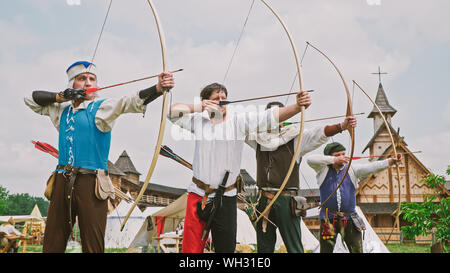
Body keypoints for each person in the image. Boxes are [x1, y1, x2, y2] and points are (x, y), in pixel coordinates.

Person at [24, 61, 174, 253]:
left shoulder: (102, 108)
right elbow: (29, 99)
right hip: (62, 180)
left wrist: (158, 88)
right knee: (52, 242)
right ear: (72, 84)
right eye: (81, 79)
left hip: (92, 183)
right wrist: (60, 97)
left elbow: (129, 101)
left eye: (92, 79)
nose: (88, 82)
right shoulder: (60, 110)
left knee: (93, 245)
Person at [168, 83, 311, 253]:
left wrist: (297, 106)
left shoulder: (238, 121)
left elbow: (270, 117)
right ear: (206, 102)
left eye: (223, 98)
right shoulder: (198, 121)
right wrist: (199, 107)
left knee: (226, 250)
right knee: (191, 250)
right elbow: (172, 112)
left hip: (226, 197)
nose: (221, 102)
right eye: (216, 98)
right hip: (198, 195)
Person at [245, 101, 357, 253]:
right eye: (270, 117)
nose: (274, 119)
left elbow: (319, 133)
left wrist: (341, 126)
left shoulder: (295, 138)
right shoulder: (258, 138)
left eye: (278, 115)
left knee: (294, 248)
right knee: (264, 248)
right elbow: (241, 128)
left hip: (287, 201)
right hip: (264, 200)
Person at [306, 142, 402, 253]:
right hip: (328, 220)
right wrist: (333, 160)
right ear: (329, 156)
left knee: (356, 250)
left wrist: (389, 162)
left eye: (343, 154)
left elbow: (371, 167)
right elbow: (310, 159)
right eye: (338, 155)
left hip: (350, 220)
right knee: (326, 250)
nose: (342, 157)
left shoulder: (352, 169)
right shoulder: (322, 170)